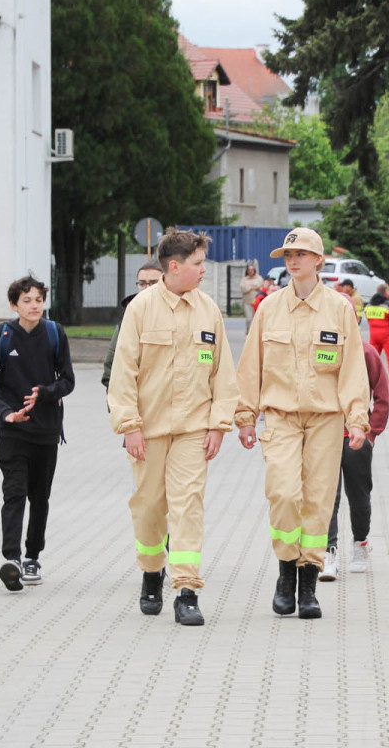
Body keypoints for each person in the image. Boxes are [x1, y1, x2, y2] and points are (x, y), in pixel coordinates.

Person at [107, 229, 239, 626]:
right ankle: (152, 572)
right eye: (198, 264)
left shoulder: (209, 310)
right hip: (147, 430)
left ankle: (186, 590)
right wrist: (129, 426)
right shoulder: (141, 309)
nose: (203, 271)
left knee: (187, 505)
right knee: (149, 506)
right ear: (175, 266)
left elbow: (223, 374)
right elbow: (123, 372)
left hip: (193, 429)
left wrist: (219, 424)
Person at [236, 227, 370, 618]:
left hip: (326, 420)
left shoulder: (340, 308)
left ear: (318, 261)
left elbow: (352, 370)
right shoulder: (269, 308)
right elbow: (251, 368)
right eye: (287, 256)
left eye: (300, 255)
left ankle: (308, 582)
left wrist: (357, 419)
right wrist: (245, 417)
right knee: (283, 494)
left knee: (317, 500)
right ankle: (285, 574)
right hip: (280, 417)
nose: (292, 261)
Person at [0, 275, 75, 591]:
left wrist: (45, 393)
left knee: (40, 497)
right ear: (14, 305)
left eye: (38, 300)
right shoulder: (2, 336)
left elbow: (68, 381)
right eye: (27, 300)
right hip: (12, 432)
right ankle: (12, 559)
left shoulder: (54, 334)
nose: (34, 306)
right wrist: (6, 413)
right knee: (14, 492)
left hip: (46, 431)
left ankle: (33, 555)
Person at [322, 307, 389, 581]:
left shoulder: (365, 352)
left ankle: (360, 544)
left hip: (356, 437)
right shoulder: (317, 349)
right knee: (326, 496)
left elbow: (382, 394)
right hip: (322, 437)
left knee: (359, 495)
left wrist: (372, 432)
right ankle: (328, 553)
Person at [102, 259, 164, 392]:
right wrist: (119, 407)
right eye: (142, 283)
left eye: (154, 283)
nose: (147, 288)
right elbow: (111, 370)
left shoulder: (179, 317)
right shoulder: (126, 322)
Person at [365, 282, 389, 388]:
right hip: (387, 335)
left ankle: (368, 381)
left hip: (373, 335)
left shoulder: (368, 306)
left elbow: (368, 318)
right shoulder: (388, 306)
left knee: (372, 359)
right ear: (385, 292)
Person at [239, 262, 264, 335]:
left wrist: (258, 288)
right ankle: (248, 329)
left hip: (257, 301)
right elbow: (242, 288)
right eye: (249, 270)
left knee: (256, 318)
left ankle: (253, 333)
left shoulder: (259, 278)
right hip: (247, 301)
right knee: (249, 318)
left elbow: (263, 287)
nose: (250, 271)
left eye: (252, 270)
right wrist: (251, 288)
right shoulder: (244, 279)